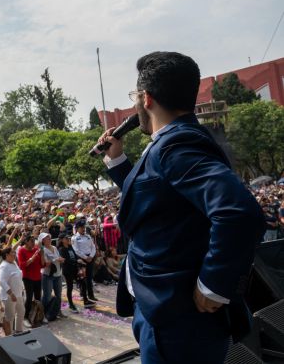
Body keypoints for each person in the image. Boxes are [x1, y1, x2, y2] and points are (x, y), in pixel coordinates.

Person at [98, 51, 266, 363]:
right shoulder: (176, 140)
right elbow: (159, 199)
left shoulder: (177, 144)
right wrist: (118, 161)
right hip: (161, 311)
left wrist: (213, 284)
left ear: (146, 99)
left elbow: (239, 213)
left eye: (135, 96)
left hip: (178, 315)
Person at [0, 246, 24, 335]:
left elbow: (18, 277)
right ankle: (10, 335)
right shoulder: (3, 266)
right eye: (13, 252)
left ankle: (19, 330)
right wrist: (11, 293)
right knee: (10, 316)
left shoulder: (14, 263)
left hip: (19, 293)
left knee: (21, 311)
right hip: (9, 296)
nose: (15, 254)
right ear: (7, 255)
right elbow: (2, 281)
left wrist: (21, 289)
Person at [16, 235, 43, 323]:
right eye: (31, 241)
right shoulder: (21, 250)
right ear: (26, 241)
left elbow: (42, 265)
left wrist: (42, 256)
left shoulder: (36, 249)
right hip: (28, 278)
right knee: (29, 297)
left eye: (33, 241)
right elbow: (22, 266)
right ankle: (26, 317)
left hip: (38, 277)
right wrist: (31, 259)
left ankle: (38, 315)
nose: (33, 243)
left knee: (38, 297)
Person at [71, 220, 98, 306]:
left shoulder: (88, 236)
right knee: (83, 278)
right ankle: (83, 294)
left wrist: (91, 256)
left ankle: (91, 295)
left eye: (84, 227)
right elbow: (76, 250)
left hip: (90, 257)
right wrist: (86, 258)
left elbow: (93, 247)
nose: (83, 229)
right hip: (82, 259)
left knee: (90, 277)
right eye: (81, 227)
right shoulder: (75, 238)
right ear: (77, 228)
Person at [39, 233, 65, 318]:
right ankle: (44, 313)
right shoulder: (43, 250)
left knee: (58, 295)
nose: (50, 239)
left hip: (58, 274)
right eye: (47, 238)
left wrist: (60, 259)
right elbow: (45, 263)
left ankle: (58, 311)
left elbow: (58, 256)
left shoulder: (54, 247)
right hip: (48, 275)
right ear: (43, 240)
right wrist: (56, 259)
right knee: (47, 296)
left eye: (50, 238)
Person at [58, 234, 80, 313]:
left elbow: (75, 256)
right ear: (62, 240)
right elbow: (65, 260)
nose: (68, 239)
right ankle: (71, 304)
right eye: (66, 238)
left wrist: (77, 261)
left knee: (82, 282)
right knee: (70, 287)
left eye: (68, 238)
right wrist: (75, 261)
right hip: (68, 270)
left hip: (74, 268)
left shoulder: (70, 247)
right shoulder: (61, 249)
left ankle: (84, 297)